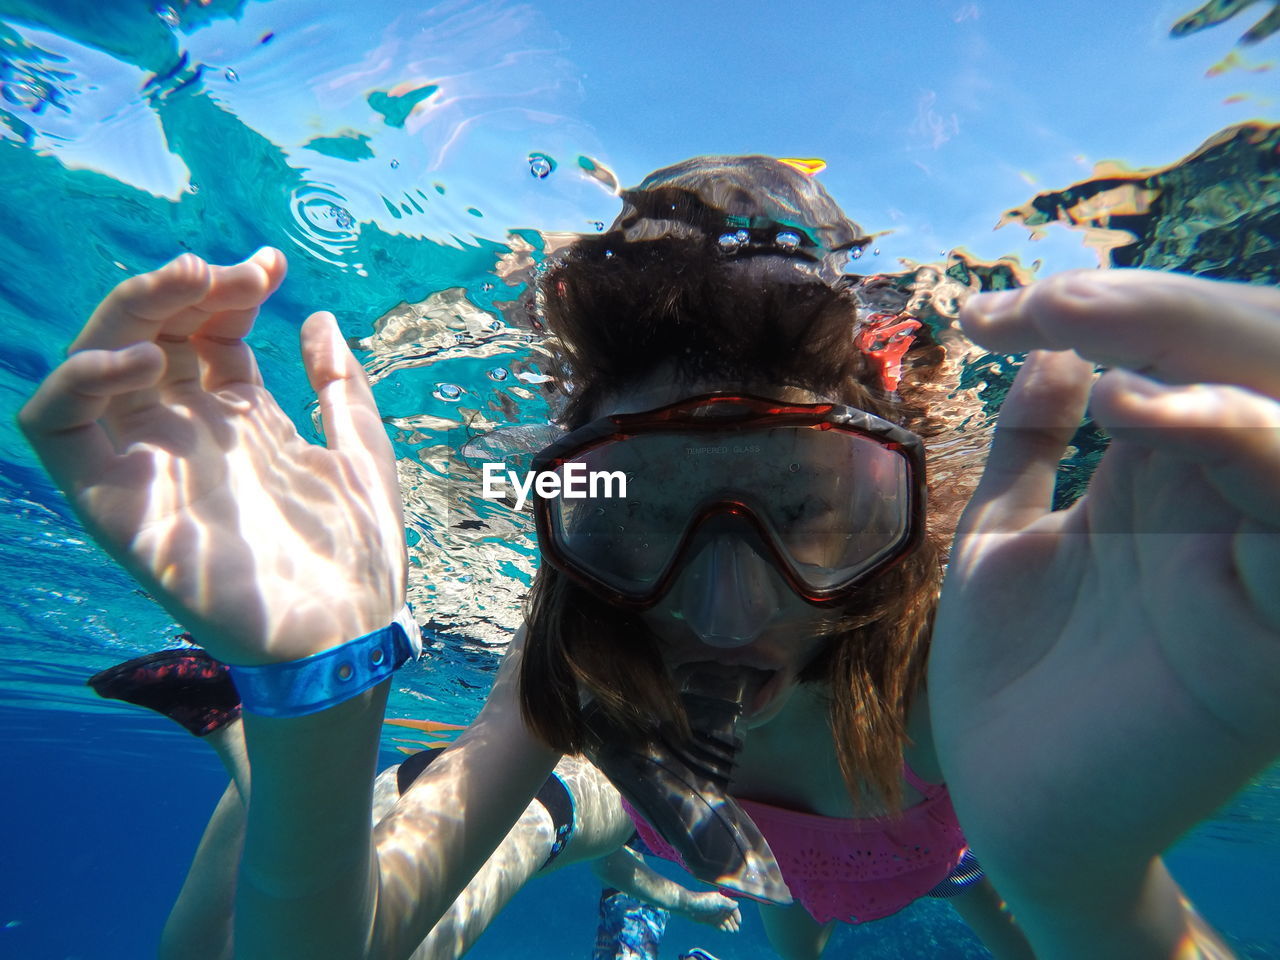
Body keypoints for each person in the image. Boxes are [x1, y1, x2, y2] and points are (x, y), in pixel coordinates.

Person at [17, 156, 1280, 960]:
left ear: (908, 508)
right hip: (671, 819)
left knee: (852, 903)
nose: (723, 612)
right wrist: (321, 688)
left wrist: (1096, 902)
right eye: (635, 516)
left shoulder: (971, 663)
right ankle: (261, 744)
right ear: (576, 502)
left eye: (806, 514)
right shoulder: (575, 652)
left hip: (934, 860)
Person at [85, 648, 740, 960]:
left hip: (432, 776)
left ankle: (253, 728)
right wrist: (688, 901)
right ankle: (252, 735)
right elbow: (617, 872)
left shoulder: (618, 758)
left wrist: (691, 898)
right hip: (518, 815)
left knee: (219, 944)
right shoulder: (642, 803)